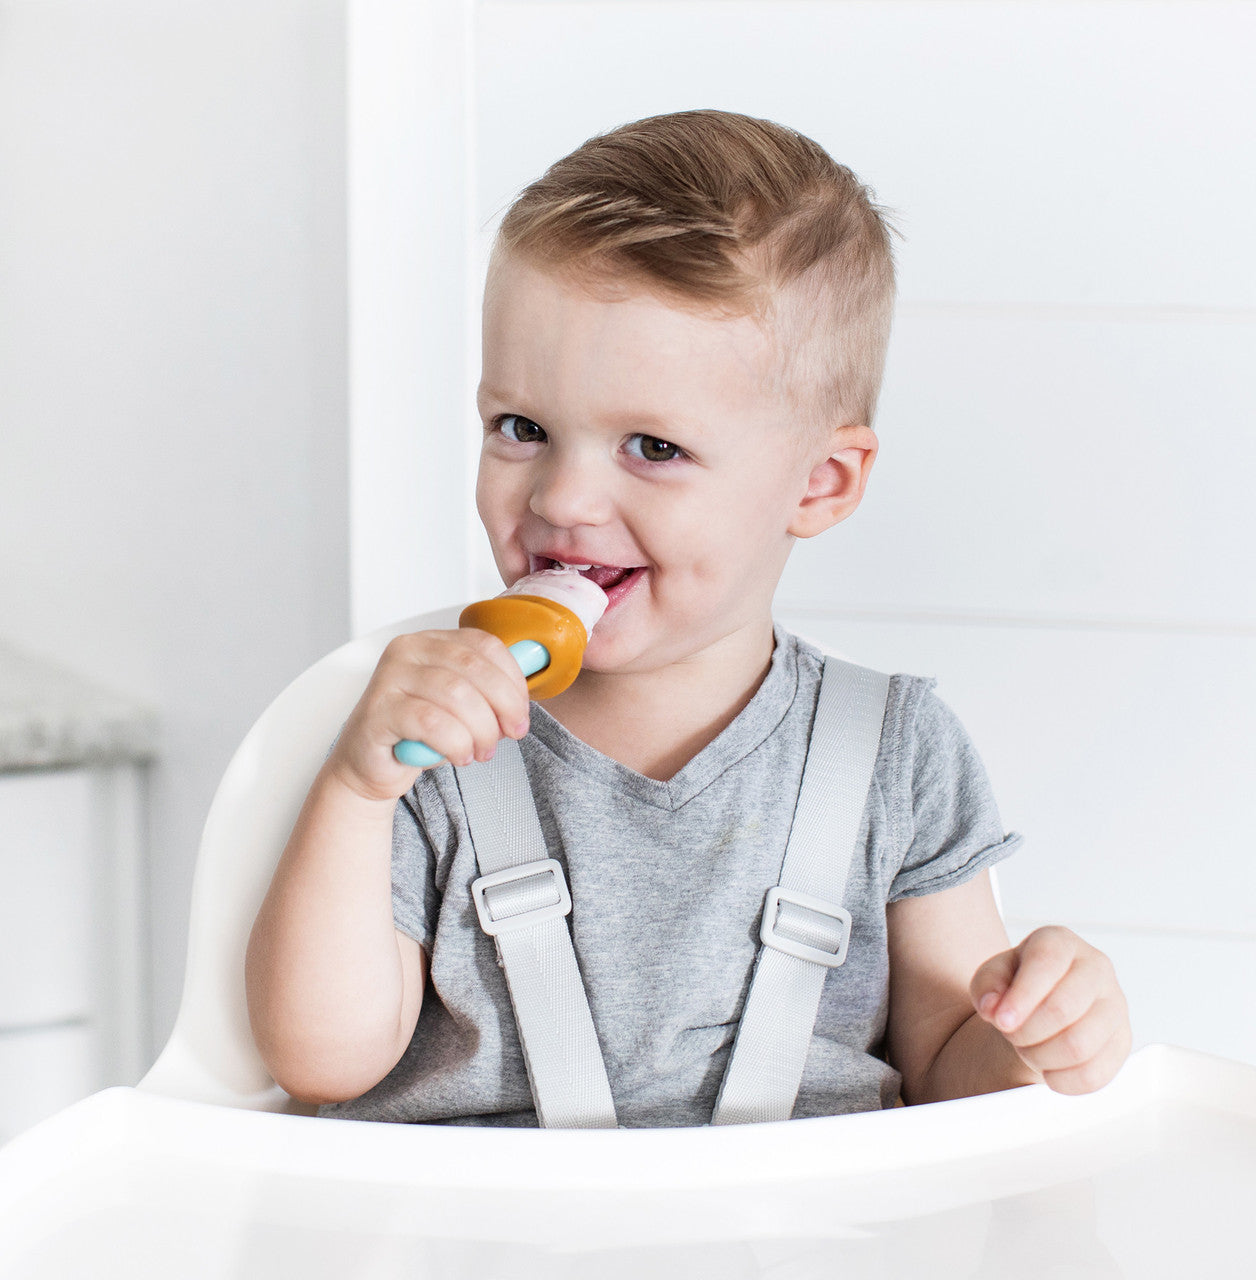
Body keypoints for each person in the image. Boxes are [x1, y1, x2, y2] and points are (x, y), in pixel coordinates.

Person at [245, 109, 1131, 1126]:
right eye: (521, 428)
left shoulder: (894, 751)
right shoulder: (424, 728)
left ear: (819, 482)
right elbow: (322, 1063)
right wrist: (360, 786)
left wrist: (1030, 1032)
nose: (562, 498)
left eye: (652, 448)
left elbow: (946, 1067)